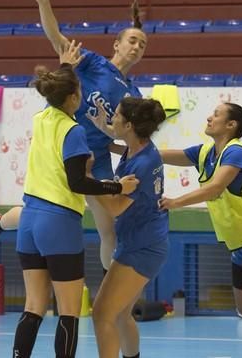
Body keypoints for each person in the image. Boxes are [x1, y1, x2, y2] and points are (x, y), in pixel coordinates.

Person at [0, 0, 148, 275]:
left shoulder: (135, 95)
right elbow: (56, 38)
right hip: (64, 148)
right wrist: (43, 2)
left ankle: (111, 298)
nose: (137, 47)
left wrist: (115, 137)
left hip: (97, 159)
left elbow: (123, 137)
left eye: (142, 45)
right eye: (132, 40)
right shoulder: (94, 64)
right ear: (116, 44)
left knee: (109, 230)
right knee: (39, 213)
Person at [11, 43, 140, 358]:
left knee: (33, 307)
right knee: (68, 311)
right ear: (74, 98)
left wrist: (66, 66)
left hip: (28, 221)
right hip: (58, 222)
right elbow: (78, 182)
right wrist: (116, 188)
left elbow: (59, 91)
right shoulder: (74, 131)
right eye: (79, 90)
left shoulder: (42, 118)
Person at [158, 102, 242, 358]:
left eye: (216, 114)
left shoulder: (236, 152)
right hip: (238, 244)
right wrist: (119, 146)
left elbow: (214, 188)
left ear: (231, 125)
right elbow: (159, 155)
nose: (209, 117)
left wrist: (175, 202)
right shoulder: (206, 152)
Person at [90, 96, 169, 358]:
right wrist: (102, 125)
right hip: (145, 242)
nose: (113, 120)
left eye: (117, 117)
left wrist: (89, 180)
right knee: (122, 314)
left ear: (130, 125)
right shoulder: (137, 147)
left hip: (140, 248)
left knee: (102, 313)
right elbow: (114, 133)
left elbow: (114, 207)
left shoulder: (142, 164)